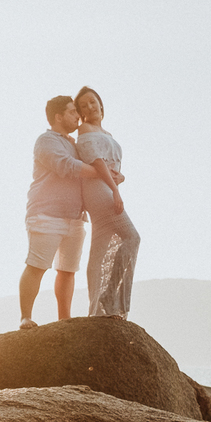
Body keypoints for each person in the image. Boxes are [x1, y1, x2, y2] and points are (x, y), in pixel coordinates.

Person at [19, 95, 101, 330]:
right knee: (36, 266)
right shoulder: (46, 141)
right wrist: (101, 173)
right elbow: (66, 166)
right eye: (72, 111)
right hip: (46, 215)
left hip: (75, 218)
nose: (78, 115)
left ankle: (63, 321)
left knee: (67, 271)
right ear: (58, 116)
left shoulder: (76, 144)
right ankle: (25, 317)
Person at [74, 86, 140, 318]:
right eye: (84, 105)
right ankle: (109, 298)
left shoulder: (107, 134)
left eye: (93, 102)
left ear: (101, 104)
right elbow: (96, 161)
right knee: (132, 237)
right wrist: (115, 190)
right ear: (80, 113)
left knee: (99, 251)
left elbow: (111, 167)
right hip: (99, 191)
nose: (90, 107)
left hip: (105, 188)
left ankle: (96, 309)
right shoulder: (84, 129)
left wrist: (120, 178)